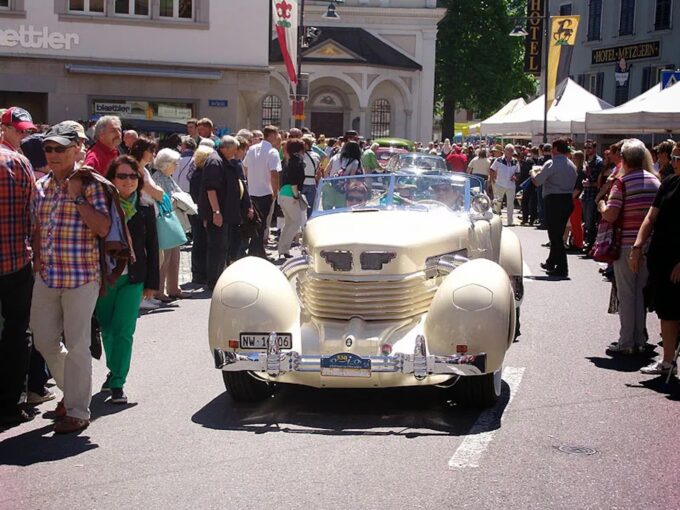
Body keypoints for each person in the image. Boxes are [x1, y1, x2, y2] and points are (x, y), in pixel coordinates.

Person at [31, 124, 112, 434]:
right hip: (48, 275)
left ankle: (78, 410)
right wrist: (38, 256)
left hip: (81, 275)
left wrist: (78, 199)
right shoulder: (42, 185)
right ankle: (74, 391)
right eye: (48, 149)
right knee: (44, 340)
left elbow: (103, 228)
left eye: (59, 149)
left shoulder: (92, 184)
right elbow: (38, 226)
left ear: (77, 149)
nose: (52, 154)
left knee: (77, 343)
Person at [98, 156, 159, 404]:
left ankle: (118, 382)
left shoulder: (145, 207)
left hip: (133, 278)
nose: (128, 181)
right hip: (105, 277)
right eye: (122, 176)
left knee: (124, 331)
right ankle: (114, 369)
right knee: (108, 329)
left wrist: (152, 283)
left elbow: (152, 247)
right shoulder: (101, 206)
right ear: (111, 179)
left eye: (133, 176)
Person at [597, 140, 660, 355]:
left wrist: (602, 206)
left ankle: (626, 342)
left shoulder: (622, 182)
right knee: (641, 293)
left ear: (623, 159)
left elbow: (612, 214)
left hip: (626, 245)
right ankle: (640, 339)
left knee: (626, 294)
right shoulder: (655, 181)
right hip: (649, 246)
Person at [630, 142, 680, 374]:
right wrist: (638, 246)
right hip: (662, 255)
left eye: (678, 158)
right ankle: (668, 361)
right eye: (674, 157)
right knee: (666, 309)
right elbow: (650, 217)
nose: (674, 162)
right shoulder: (669, 182)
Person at [0, 145, 36, 426]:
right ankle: (10, 404)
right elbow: (32, 215)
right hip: (15, 261)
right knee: (16, 331)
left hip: (16, 260)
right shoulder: (17, 162)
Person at [200, 136, 247, 289]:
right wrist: (216, 211)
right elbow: (211, 189)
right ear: (224, 148)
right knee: (217, 247)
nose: (234, 153)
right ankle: (214, 280)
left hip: (226, 212)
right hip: (218, 212)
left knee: (223, 246)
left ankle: (219, 276)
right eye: (233, 150)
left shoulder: (222, 160)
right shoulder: (215, 161)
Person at [531, 138, 577, 278]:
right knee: (558, 231)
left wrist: (533, 172)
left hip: (554, 200)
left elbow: (537, 181)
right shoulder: (571, 165)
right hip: (567, 199)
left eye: (552, 149)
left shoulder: (551, 163)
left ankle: (563, 268)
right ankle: (551, 262)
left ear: (556, 149)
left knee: (555, 235)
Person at [152, 148, 188, 301]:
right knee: (165, 258)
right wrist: (176, 200)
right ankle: (159, 291)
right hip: (164, 221)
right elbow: (161, 200)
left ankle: (174, 288)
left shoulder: (169, 177)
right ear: (166, 164)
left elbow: (180, 194)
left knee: (175, 256)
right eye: (175, 163)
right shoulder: (158, 178)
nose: (177, 165)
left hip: (173, 221)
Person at [243, 125, 282, 257]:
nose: (278, 138)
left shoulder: (252, 149)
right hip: (266, 192)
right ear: (271, 136)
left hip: (252, 191)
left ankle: (257, 249)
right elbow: (274, 173)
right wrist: (275, 192)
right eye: (277, 135)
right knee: (262, 223)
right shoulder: (272, 152)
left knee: (255, 222)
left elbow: (245, 166)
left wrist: (250, 181)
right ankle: (256, 251)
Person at [277, 139, 306, 260]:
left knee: (289, 223)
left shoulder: (286, 161)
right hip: (291, 194)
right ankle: (284, 248)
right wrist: (295, 195)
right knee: (296, 222)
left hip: (283, 193)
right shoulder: (297, 161)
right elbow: (295, 180)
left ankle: (282, 249)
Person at [189, 145, 213, 284]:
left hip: (199, 211)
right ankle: (198, 273)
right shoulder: (199, 175)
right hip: (199, 212)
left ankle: (200, 272)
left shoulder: (199, 173)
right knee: (200, 242)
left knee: (201, 242)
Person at [490, 144, 519, 226]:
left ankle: (510, 221)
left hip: (511, 186)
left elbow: (518, 172)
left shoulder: (515, 161)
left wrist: (515, 177)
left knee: (510, 204)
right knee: (497, 203)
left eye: (511, 151)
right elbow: (492, 169)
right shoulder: (498, 160)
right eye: (508, 151)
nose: (510, 152)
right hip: (500, 184)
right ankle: (495, 221)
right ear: (505, 151)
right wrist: (493, 180)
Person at [582, 140, 603, 250]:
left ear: (594, 148)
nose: (587, 150)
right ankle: (588, 242)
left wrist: (590, 183)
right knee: (586, 221)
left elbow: (599, 182)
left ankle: (591, 244)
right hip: (586, 194)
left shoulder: (598, 162)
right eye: (585, 148)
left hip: (593, 194)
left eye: (589, 148)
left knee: (590, 221)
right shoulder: (586, 161)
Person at [568, 150, 585, 251]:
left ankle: (578, 244)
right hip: (574, 198)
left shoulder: (580, 173)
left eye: (574, 158)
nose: (572, 160)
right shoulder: (575, 171)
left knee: (576, 222)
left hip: (576, 199)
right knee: (574, 223)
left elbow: (578, 188)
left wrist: (571, 197)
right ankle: (576, 242)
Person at [301, 136, 321, 218]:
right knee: (310, 207)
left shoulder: (300, 156)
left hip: (301, 183)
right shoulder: (316, 155)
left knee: (300, 208)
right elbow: (319, 171)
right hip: (312, 183)